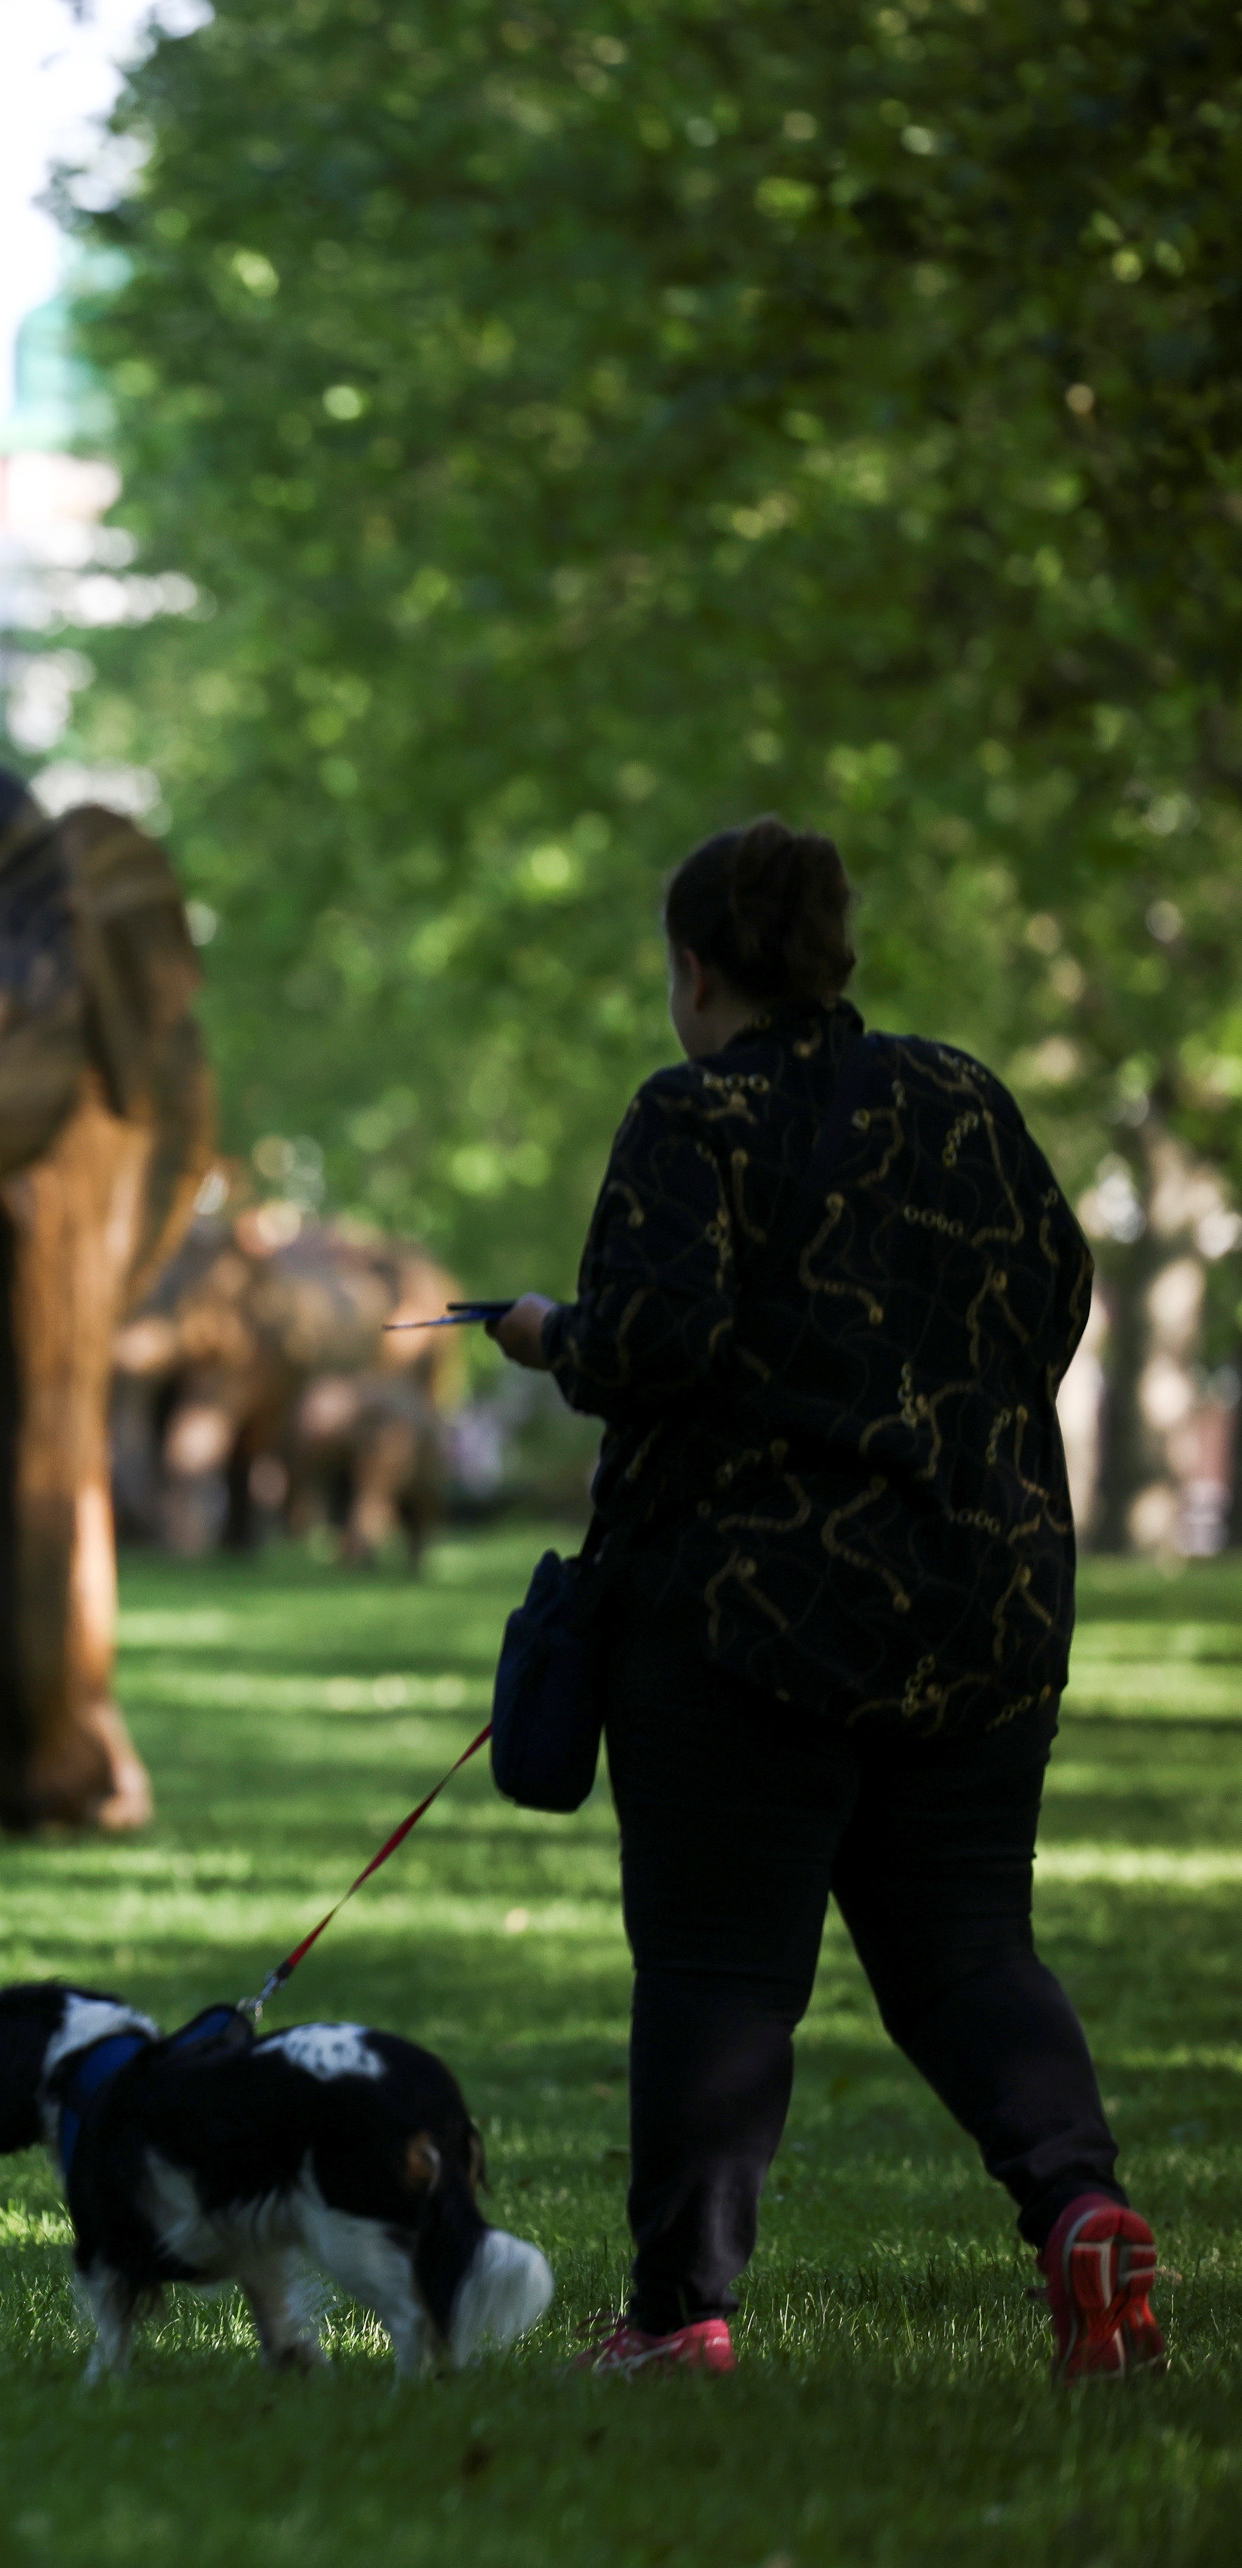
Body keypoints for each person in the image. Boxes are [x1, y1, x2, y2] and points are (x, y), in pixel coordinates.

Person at [491, 819, 1158, 2381]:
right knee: (974, 1953)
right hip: (983, 1612)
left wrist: (543, 1334)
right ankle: (1081, 2210)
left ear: (695, 968)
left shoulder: (692, 1116)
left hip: (749, 1626)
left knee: (723, 1971)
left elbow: (649, 1344)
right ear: (837, 960)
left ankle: (678, 2316)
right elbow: (1055, 1299)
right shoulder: (970, 1103)